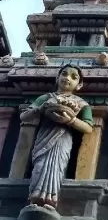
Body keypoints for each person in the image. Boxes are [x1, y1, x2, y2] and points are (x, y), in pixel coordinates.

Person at [21, 65, 94, 208]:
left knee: (57, 167)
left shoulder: (81, 104)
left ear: (79, 85)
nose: (67, 78)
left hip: (63, 139)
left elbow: (88, 128)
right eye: (64, 74)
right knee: (40, 165)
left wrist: (71, 120)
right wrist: (41, 108)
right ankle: (34, 199)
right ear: (57, 78)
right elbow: (24, 116)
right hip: (44, 136)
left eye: (74, 77)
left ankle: (51, 200)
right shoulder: (46, 98)